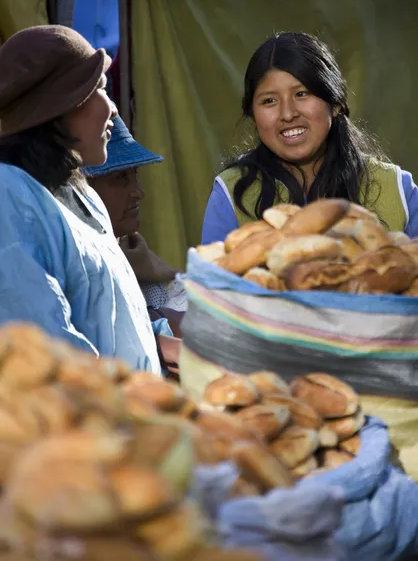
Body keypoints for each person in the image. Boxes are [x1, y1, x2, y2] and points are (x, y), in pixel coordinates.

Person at [0, 24, 176, 374]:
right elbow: (47, 352)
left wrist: (161, 344)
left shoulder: (82, 195)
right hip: (83, 422)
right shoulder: (10, 196)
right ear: (59, 105)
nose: (112, 108)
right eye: (100, 89)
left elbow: (110, 316)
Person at [201, 32, 418, 244]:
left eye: (301, 94)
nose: (288, 114)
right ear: (253, 115)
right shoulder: (231, 194)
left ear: (335, 104)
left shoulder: (397, 189)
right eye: (269, 101)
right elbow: (210, 278)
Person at [85, 115, 187, 337]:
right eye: (121, 177)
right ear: (83, 190)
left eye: (135, 175)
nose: (138, 192)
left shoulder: (151, 275)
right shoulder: (73, 270)